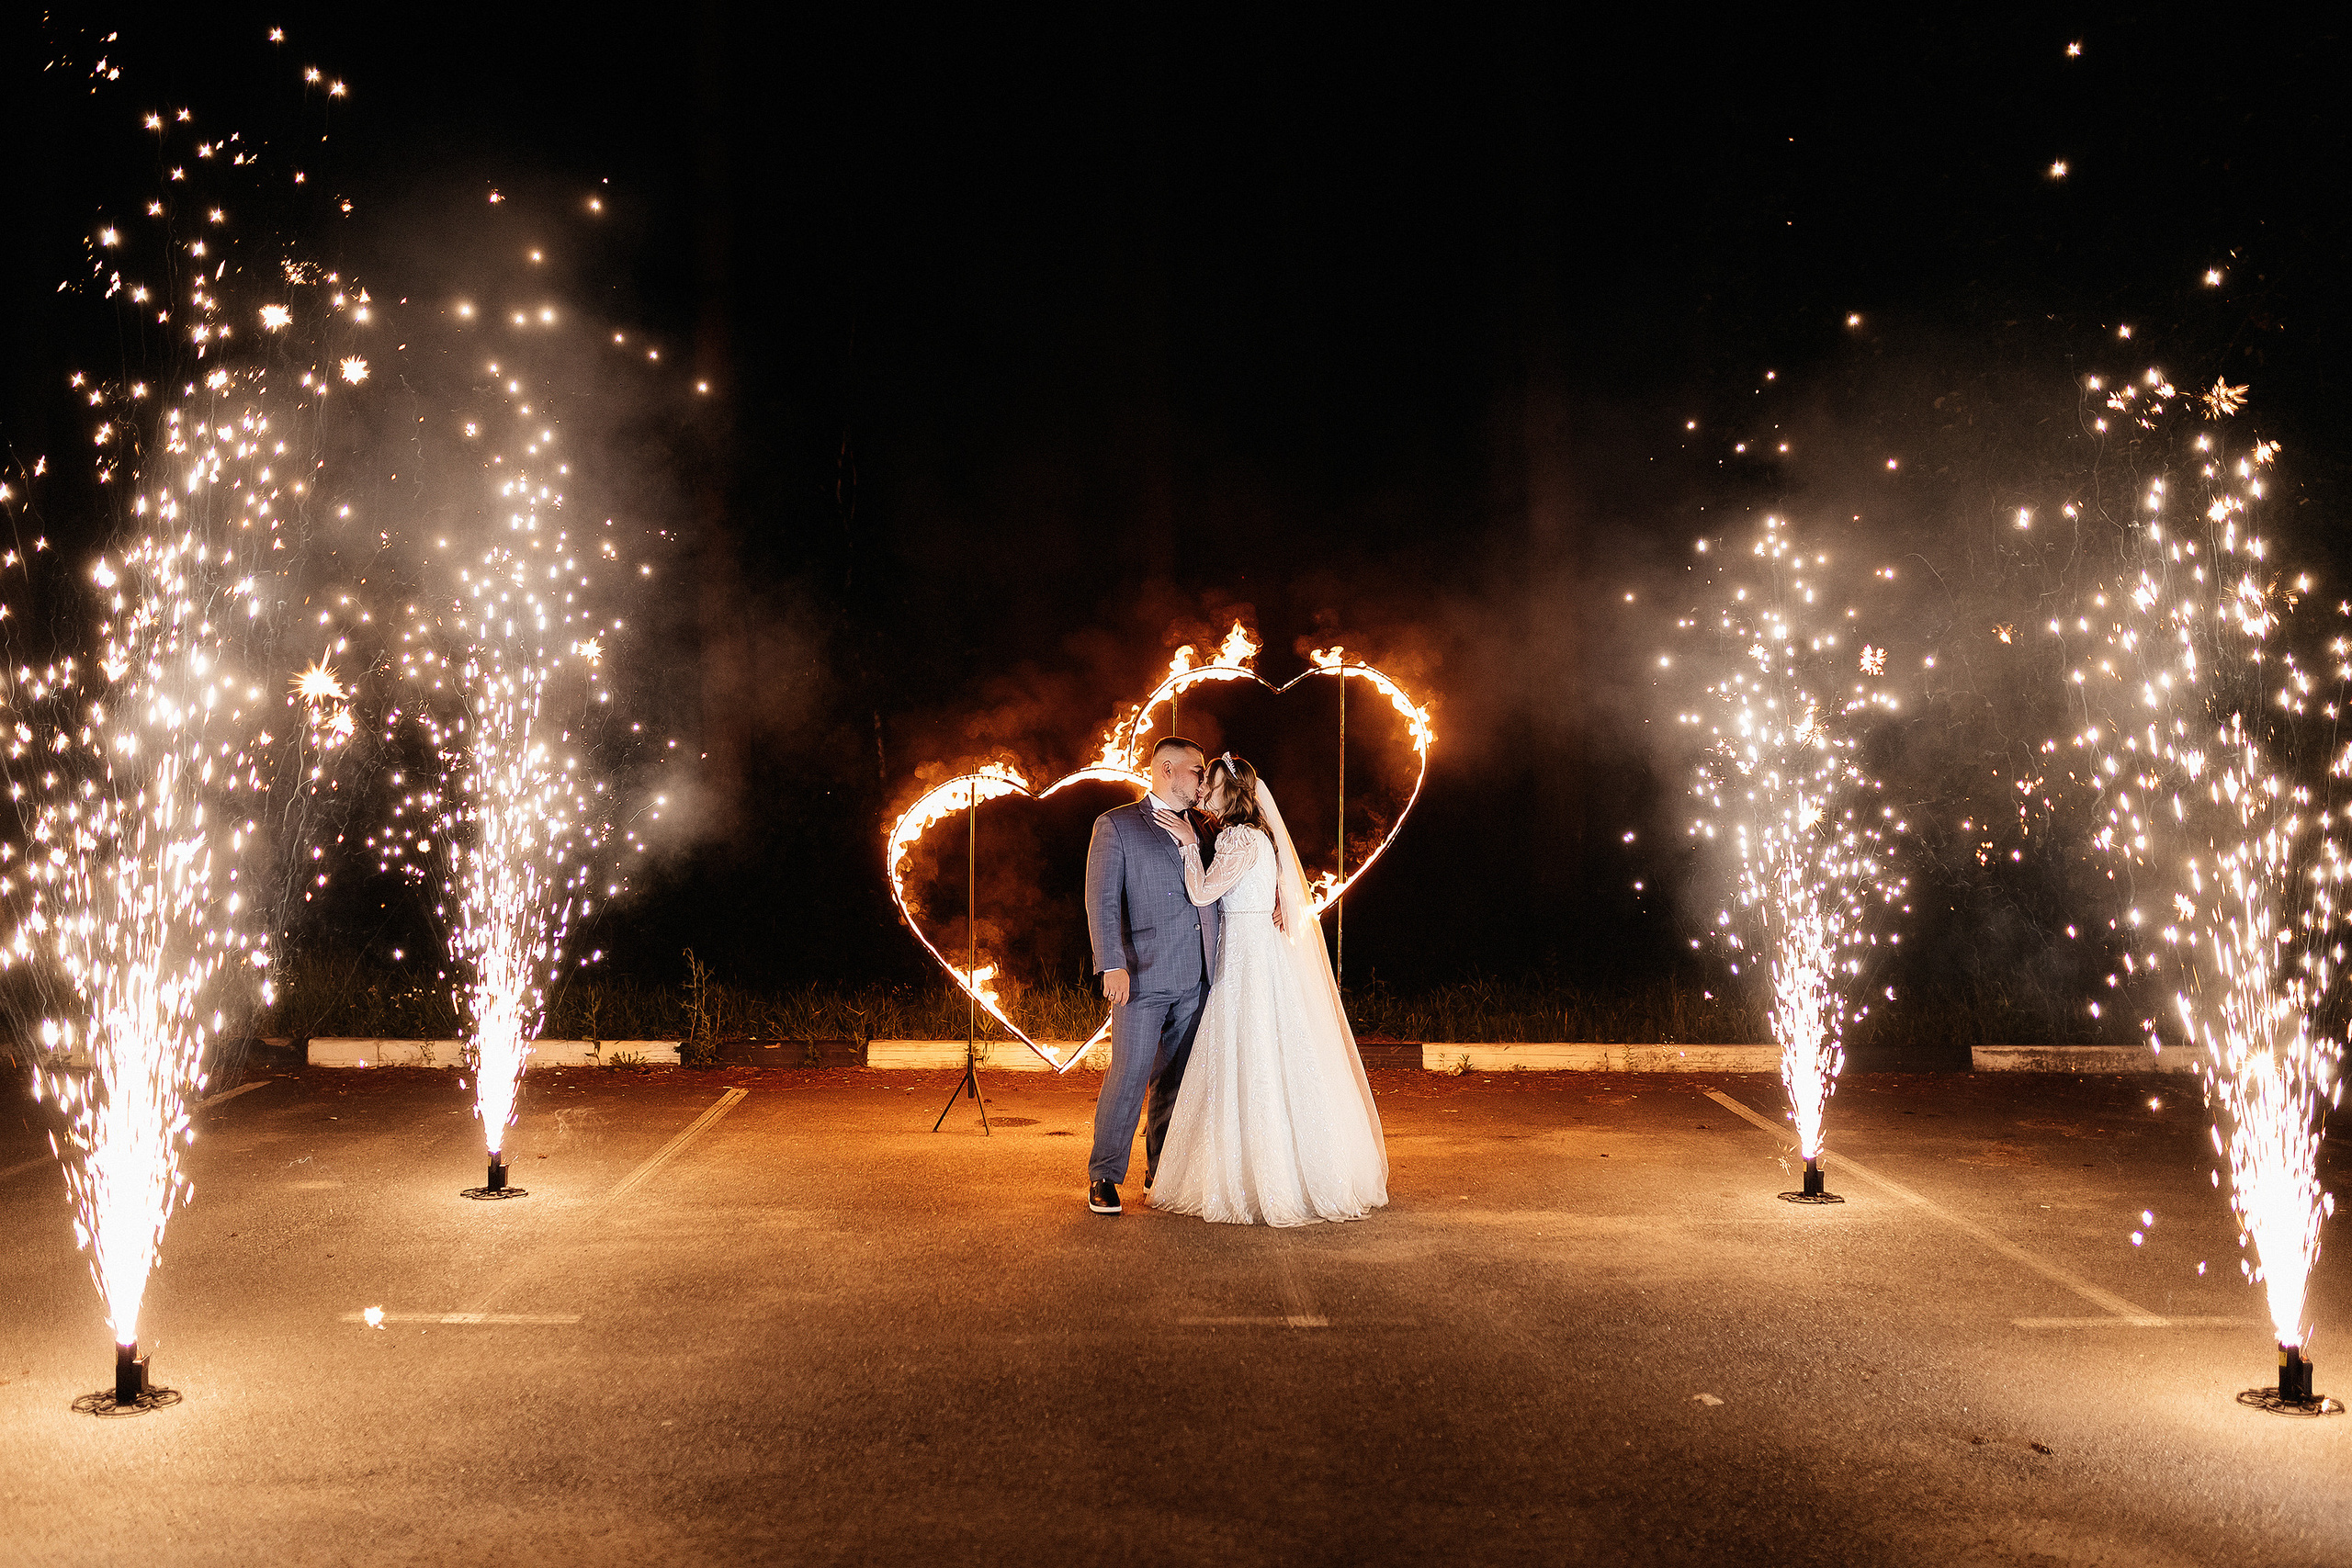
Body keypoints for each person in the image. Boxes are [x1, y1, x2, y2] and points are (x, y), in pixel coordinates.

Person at [1148, 754, 1388, 1226]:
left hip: (1245, 958)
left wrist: (1187, 846)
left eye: (1211, 787)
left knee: (1247, 1057)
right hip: (1259, 952)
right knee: (1268, 1056)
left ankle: (1255, 1178)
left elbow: (1201, 893)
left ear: (1230, 795)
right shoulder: (1262, 840)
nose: (1204, 794)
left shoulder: (1237, 838)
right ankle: (1282, 1167)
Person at [1081, 736, 1220, 1215]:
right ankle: (1104, 1175)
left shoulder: (1203, 828)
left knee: (1176, 1080)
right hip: (1140, 976)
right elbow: (1101, 901)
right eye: (1197, 771)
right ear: (1166, 769)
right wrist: (1111, 963)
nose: (1203, 780)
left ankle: (1160, 1170)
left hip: (1198, 975)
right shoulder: (1117, 825)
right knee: (1129, 1074)